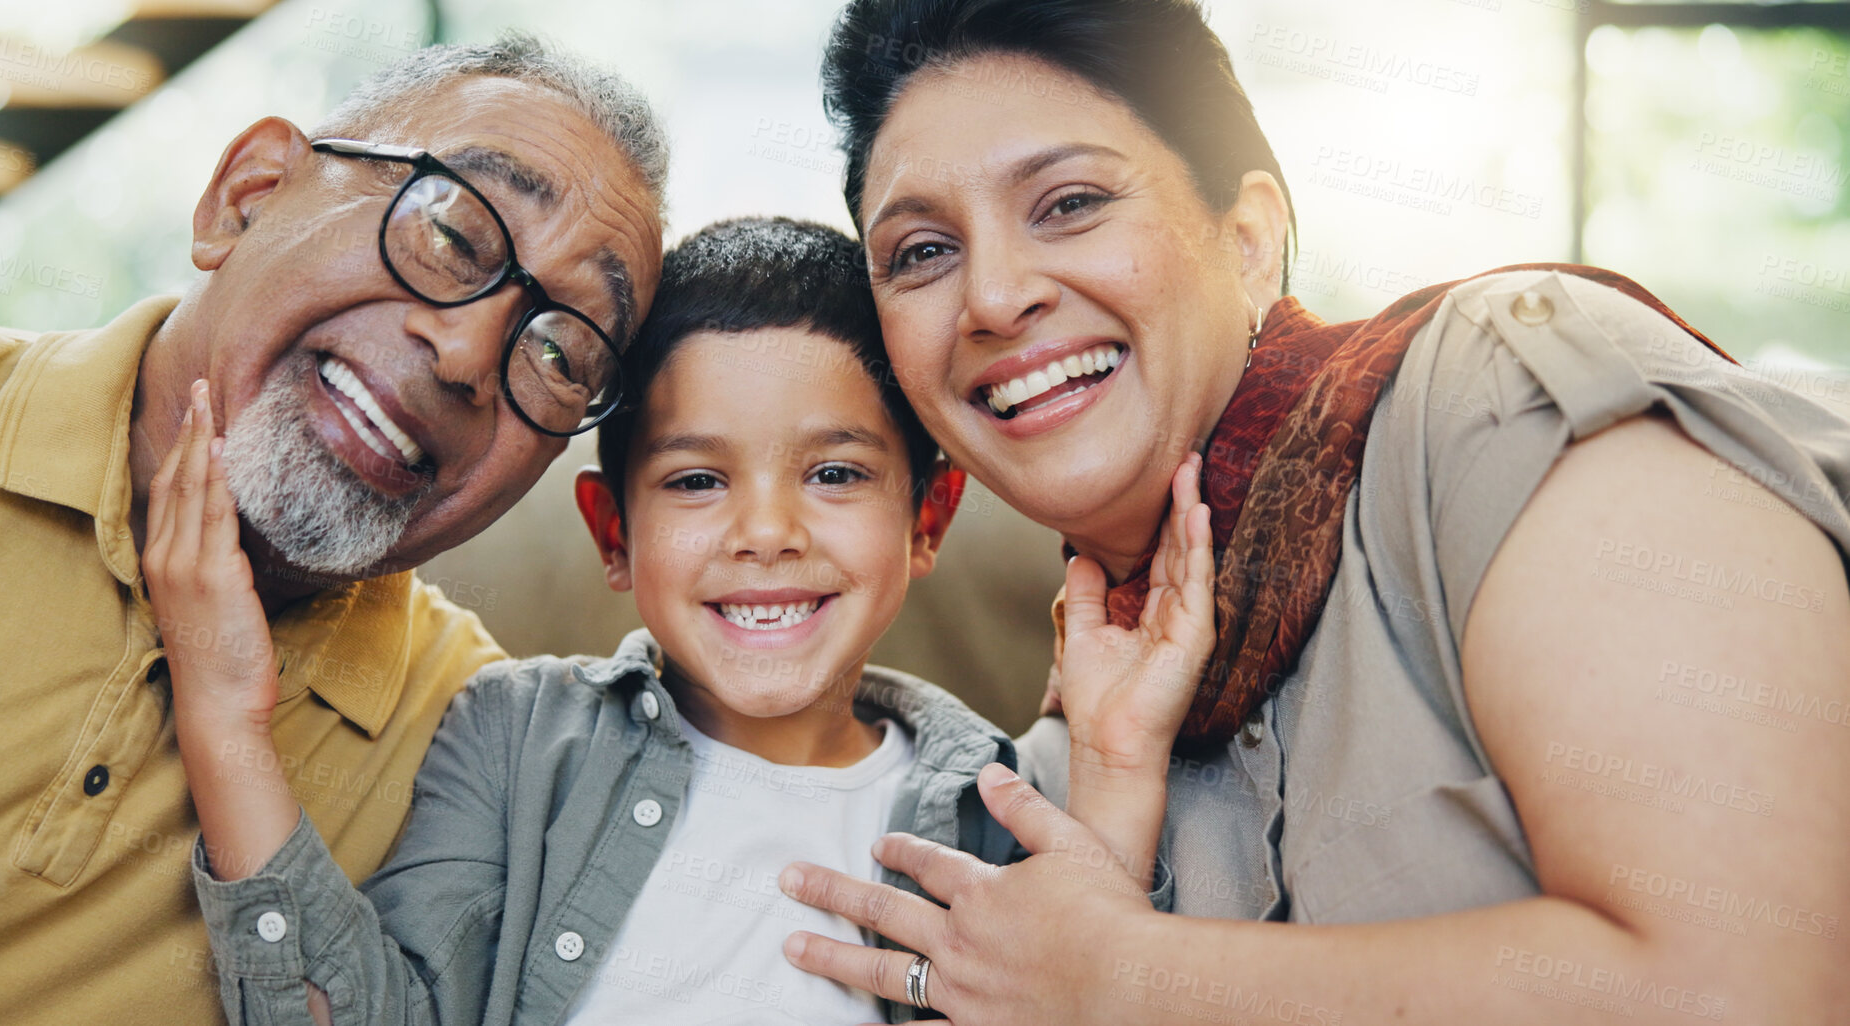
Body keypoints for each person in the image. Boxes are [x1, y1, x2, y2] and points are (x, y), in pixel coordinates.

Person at [775, 1, 1850, 1022]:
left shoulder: (1488, 401)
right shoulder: (1066, 768)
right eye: (920, 253)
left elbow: (1754, 989)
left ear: (1246, 237)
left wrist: (1130, 983)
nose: (995, 296)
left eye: (1071, 204)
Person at [143, 216, 1212, 1025]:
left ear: (927, 517)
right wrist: (227, 728)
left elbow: (1102, 994)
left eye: (834, 473)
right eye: (698, 482)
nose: (765, 532)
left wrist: (1120, 764)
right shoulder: (514, 743)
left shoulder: (996, 805)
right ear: (613, 532)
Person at [0, 34, 665, 1026]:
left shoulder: (479, 745)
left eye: (562, 351)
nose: (471, 352)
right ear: (248, 194)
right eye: (455, 235)